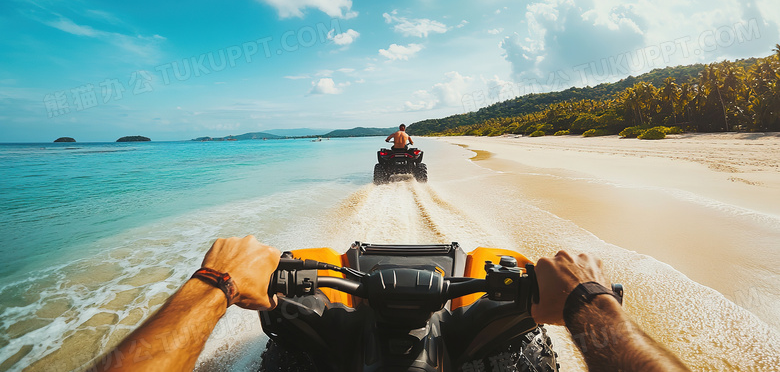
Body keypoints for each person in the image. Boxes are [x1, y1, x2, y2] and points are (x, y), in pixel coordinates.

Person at [93, 237, 690, 371]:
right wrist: (587, 301)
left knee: (312, 261)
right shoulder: (392, 147)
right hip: (473, 309)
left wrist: (217, 284)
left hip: (334, 298)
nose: (402, 145)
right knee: (489, 262)